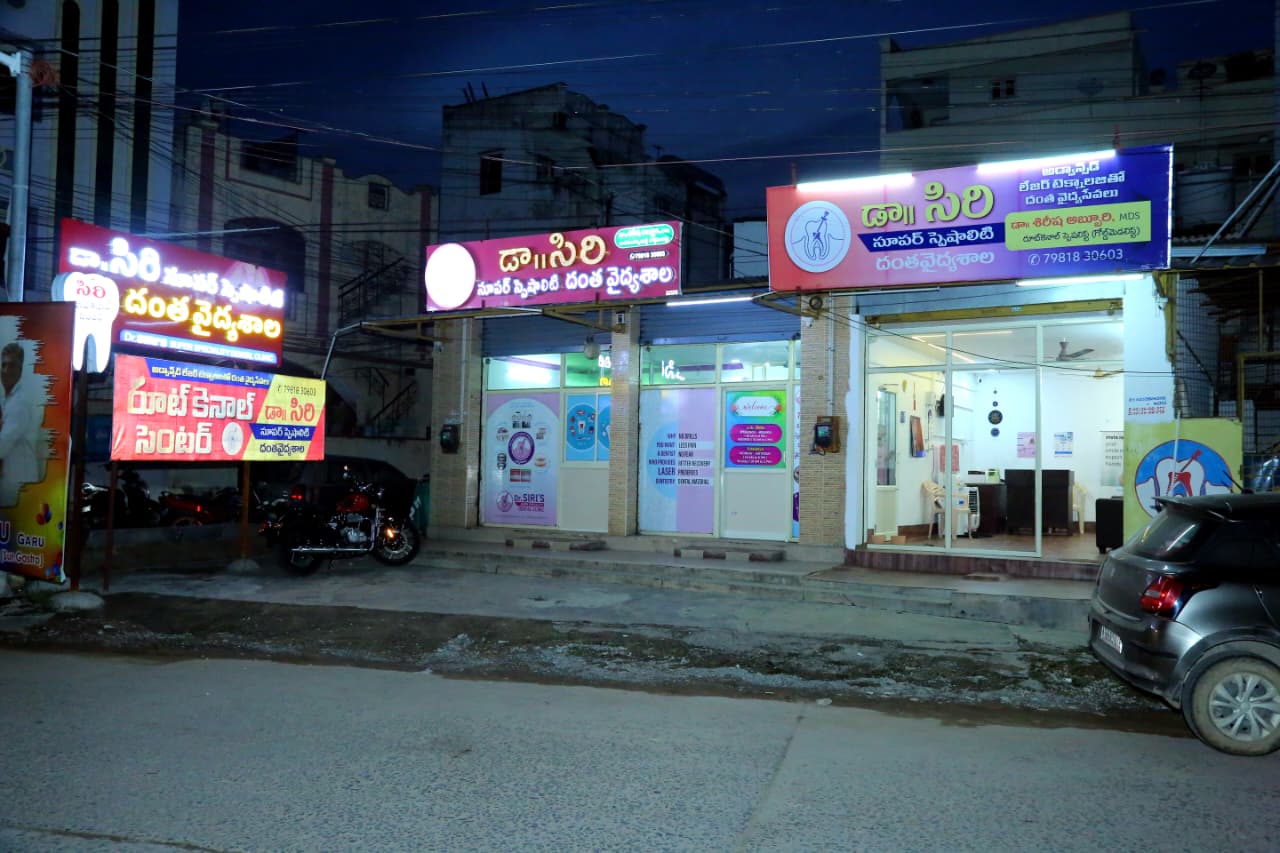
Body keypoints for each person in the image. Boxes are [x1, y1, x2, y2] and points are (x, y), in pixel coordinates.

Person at [0, 342, 41, 506]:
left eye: (11, 366)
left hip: (19, 484)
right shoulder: (8, 399)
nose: (5, 371)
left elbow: (2, 445)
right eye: (3, 365)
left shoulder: (21, 402)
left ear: (20, 369)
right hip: (11, 482)